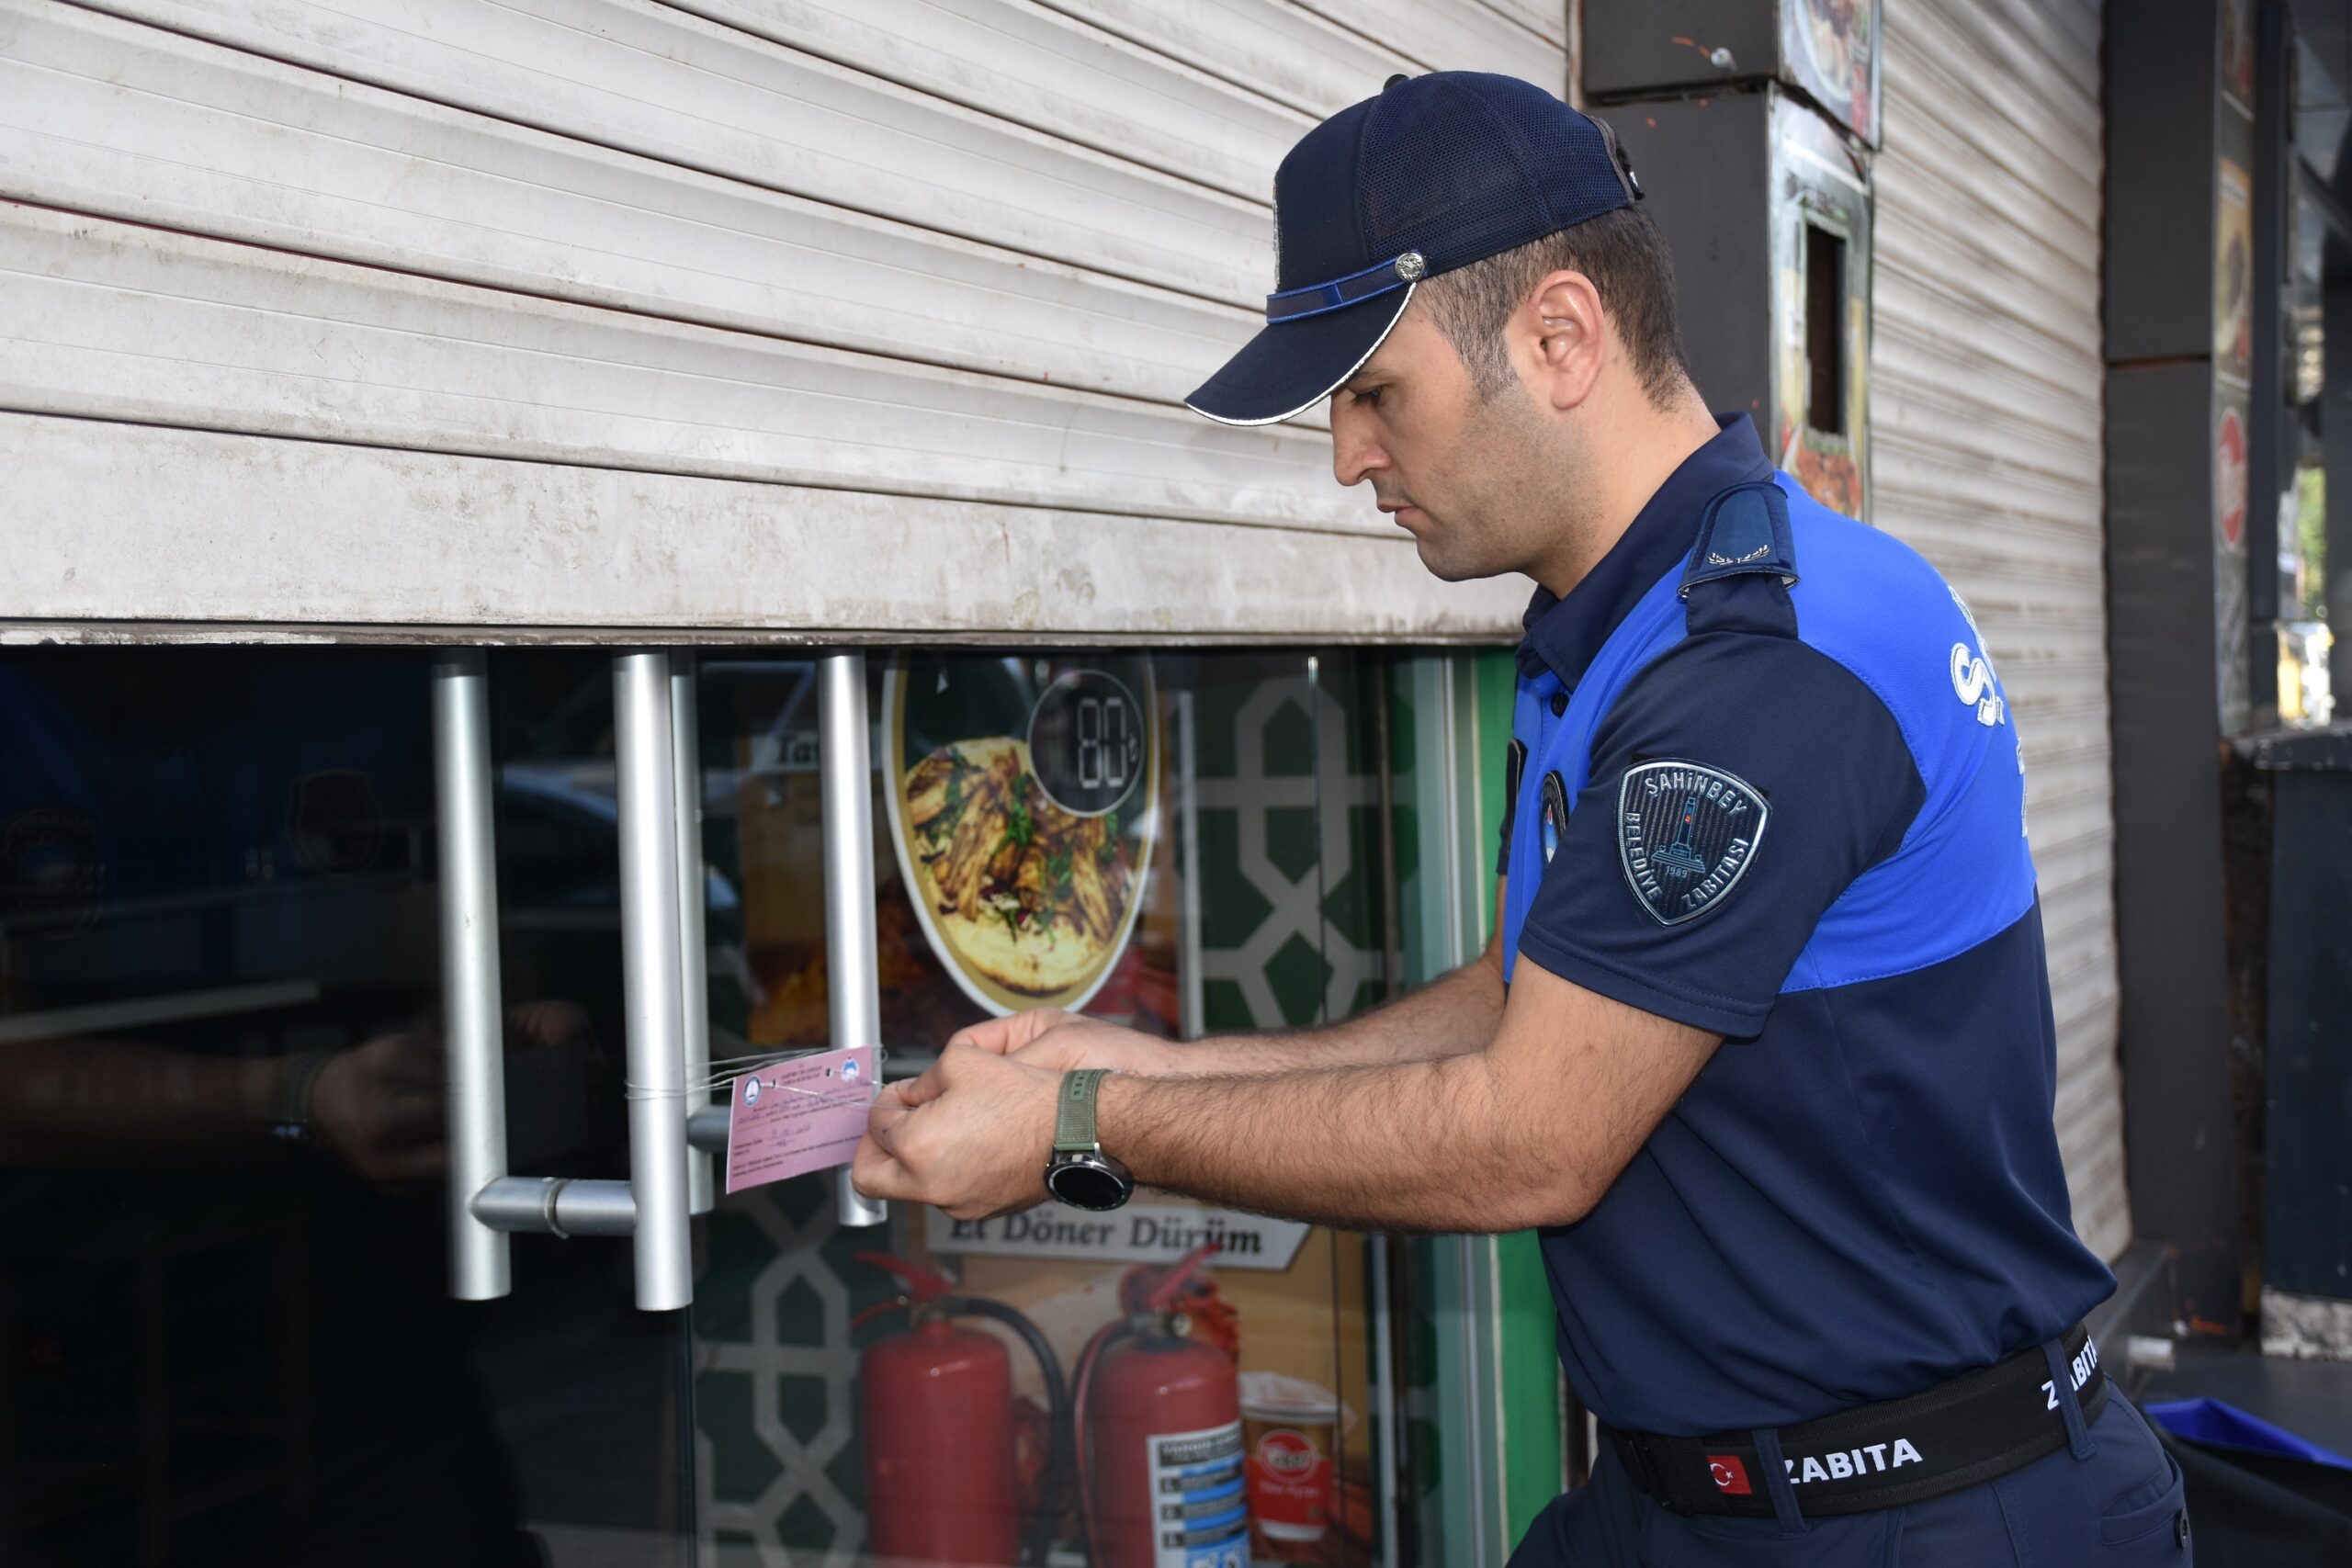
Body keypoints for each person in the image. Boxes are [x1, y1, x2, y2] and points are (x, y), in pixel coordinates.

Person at [853, 72, 2190, 1563]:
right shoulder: (1618, 632)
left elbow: (1531, 1134)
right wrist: (1143, 1065)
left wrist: (1082, 1129)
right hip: (1698, 1500)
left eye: (1375, 392)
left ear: (1561, 337)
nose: (1347, 456)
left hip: (1912, 1516)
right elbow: (1534, 1001)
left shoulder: (1761, 667)